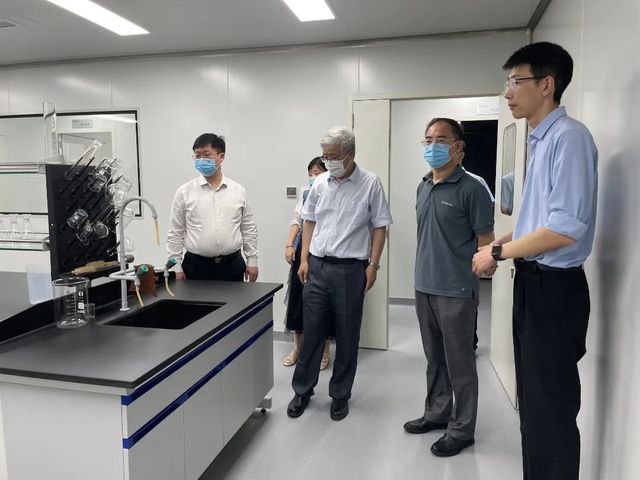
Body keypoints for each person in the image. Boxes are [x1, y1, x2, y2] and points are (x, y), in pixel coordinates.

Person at [472, 42, 598, 480]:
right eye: (507, 82)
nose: (508, 92)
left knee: (551, 410)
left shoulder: (569, 138)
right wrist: (499, 246)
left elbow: (564, 229)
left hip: (554, 290)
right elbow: (536, 222)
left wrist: (496, 252)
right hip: (534, 283)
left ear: (547, 85)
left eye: (516, 81)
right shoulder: (540, 140)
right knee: (534, 406)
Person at [286, 126, 392, 421]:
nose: (329, 161)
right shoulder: (320, 183)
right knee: (312, 332)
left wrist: (373, 265)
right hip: (317, 266)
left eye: (334, 156)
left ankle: (340, 394)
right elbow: (309, 220)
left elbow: (380, 226)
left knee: (347, 335)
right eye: (325, 156)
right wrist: (304, 258)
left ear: (351, 154)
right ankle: (302, 390)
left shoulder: (371, 183)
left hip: (350, 270)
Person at [403, 118, 494, 457]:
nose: (433, 145)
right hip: (424, 285)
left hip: (456, 290)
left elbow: (486, 244)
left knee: (460, 363)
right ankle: (437, 413)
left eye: (441, 139)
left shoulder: (472, 188)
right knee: (435, 359)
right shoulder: (423, 186)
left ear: (458, 147)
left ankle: (462, 429)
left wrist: (478, 274)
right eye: (428, 139)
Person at [167, 133, 258, 282]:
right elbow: (175, 231)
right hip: (196, 266)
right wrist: (175, 266)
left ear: (221, 157)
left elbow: (248, 228)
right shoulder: (185, 191)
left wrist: (252, 260)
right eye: (197, 156)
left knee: (236, 298)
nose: (201, 160)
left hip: (232, 265)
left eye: (207, 155)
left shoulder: (238, 191)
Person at [282, 157, 332, 370]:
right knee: (298, 301)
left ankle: (324, 350)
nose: (313, 177)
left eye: (317, 173)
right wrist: (289, 245)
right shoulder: (306, 195)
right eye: (310, 173)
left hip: (324, 256)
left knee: (324, 304)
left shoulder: (334, 193)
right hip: (303, 252)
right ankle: (297, 348)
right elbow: (297, 221)